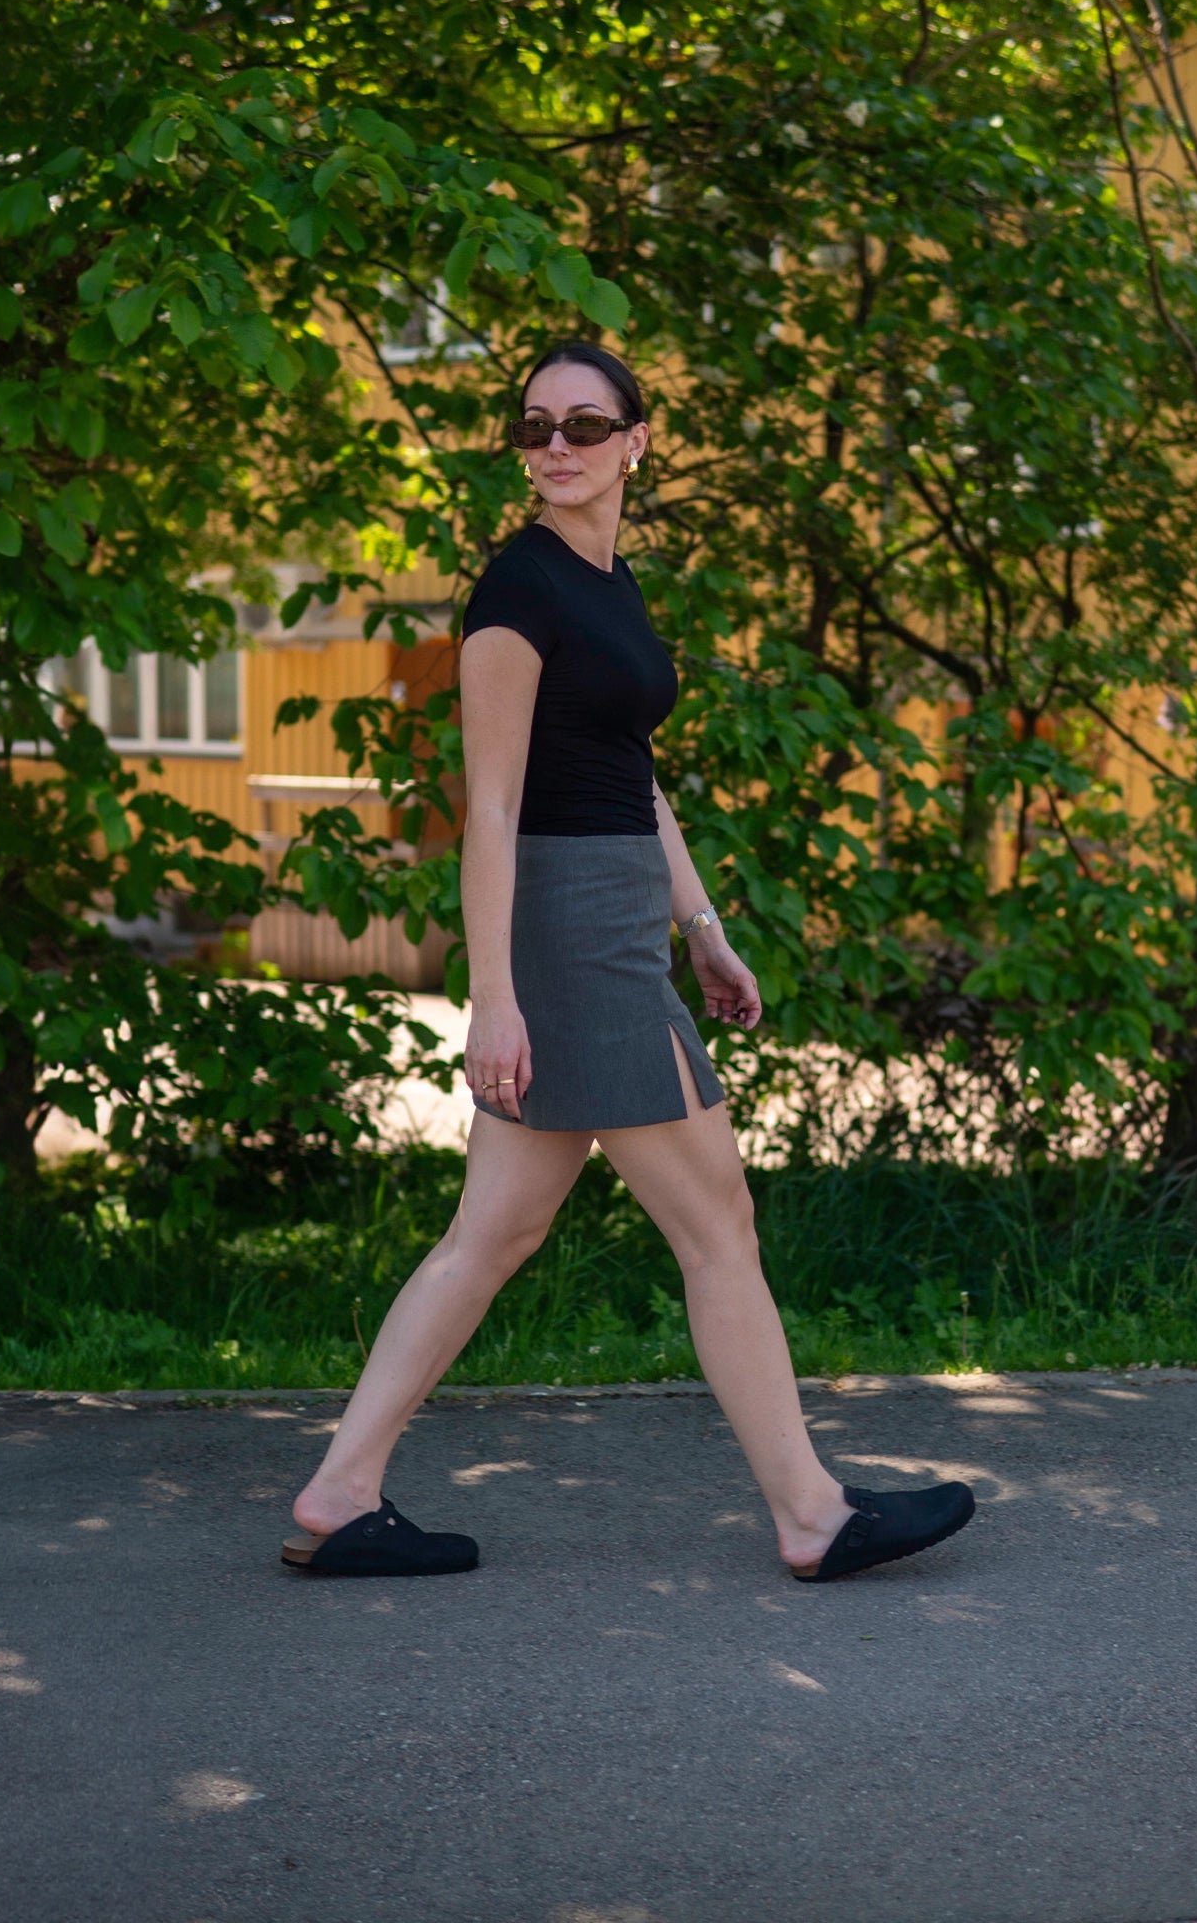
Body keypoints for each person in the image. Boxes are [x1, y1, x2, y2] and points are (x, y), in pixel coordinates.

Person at [282, 341, 975, 1583]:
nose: (558, 444)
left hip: (613, 918)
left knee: (493, 1231)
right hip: (568, 936)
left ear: (637, 441)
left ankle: (340, 1490)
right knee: (719, 1221)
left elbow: (631, 781)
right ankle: (811, 1511)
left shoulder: (610, 580)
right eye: (536, 426)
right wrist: (493, 998)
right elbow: (489, 810)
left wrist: (703, 928)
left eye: (586, 424)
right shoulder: (519, 593)